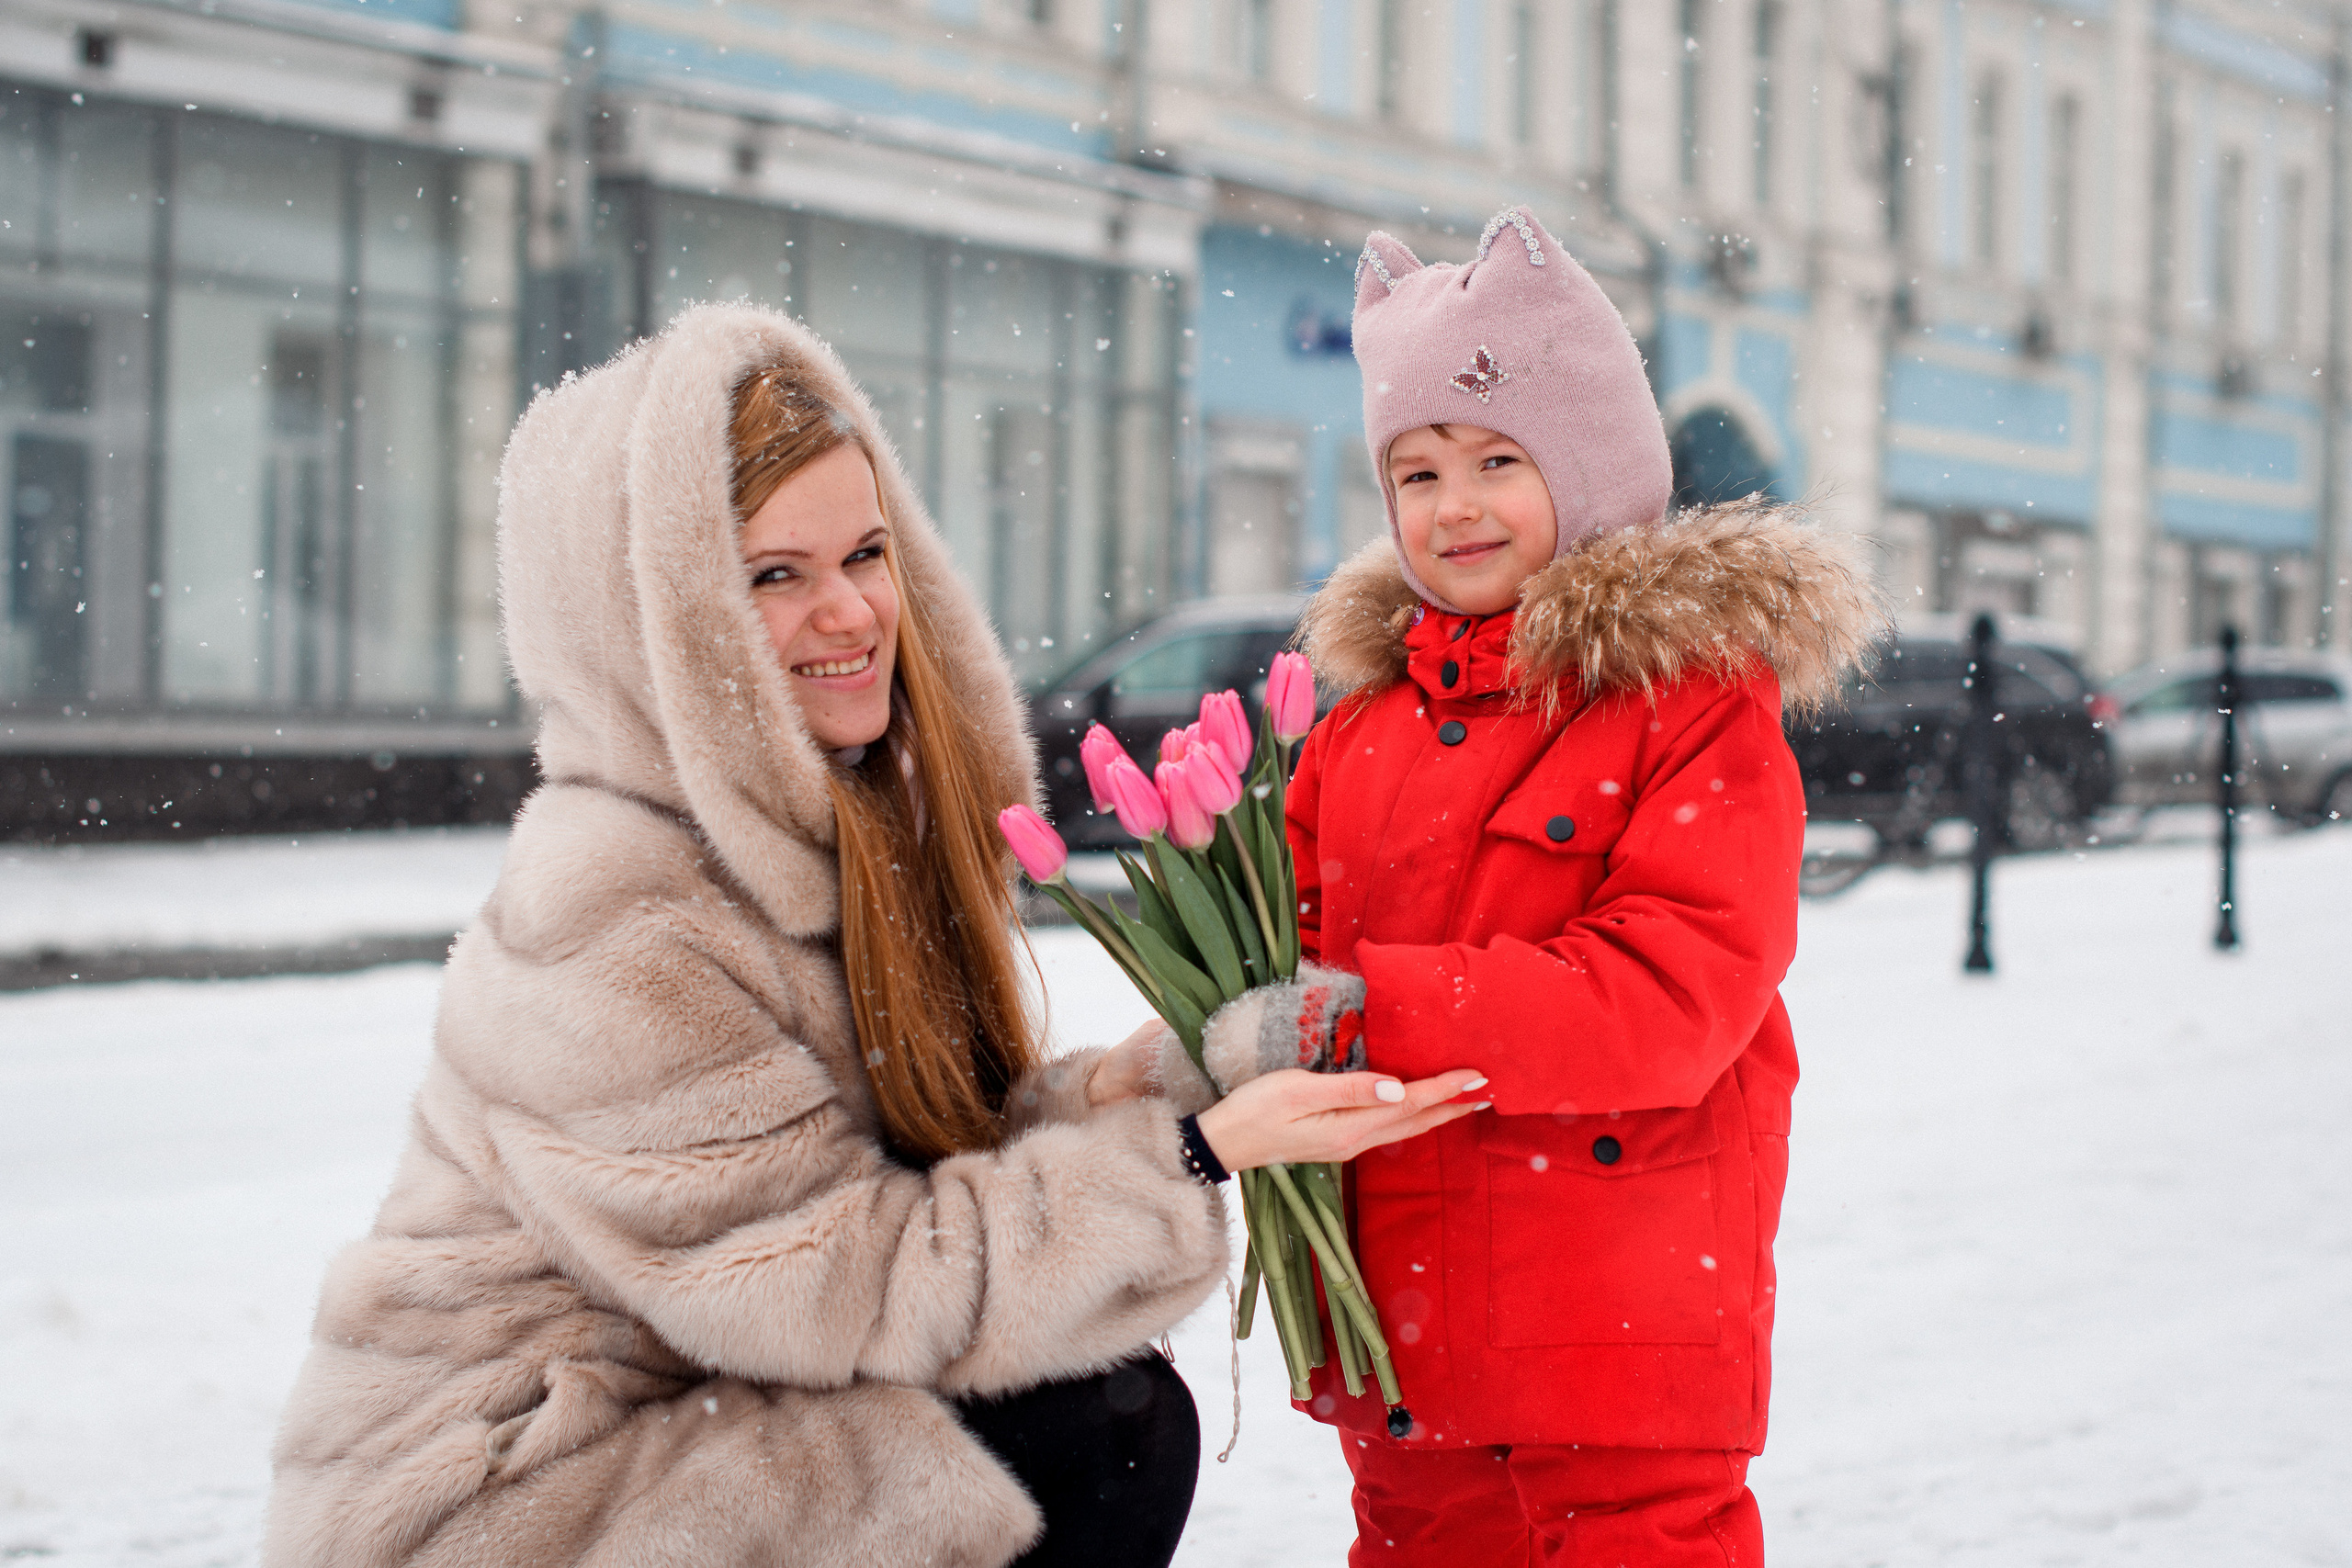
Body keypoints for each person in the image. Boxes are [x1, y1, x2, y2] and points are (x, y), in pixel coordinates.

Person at [259, 301, 1482, 1568]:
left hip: (685, 1413)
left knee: (1100, 1420)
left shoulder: (834, 833)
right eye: (774, 575)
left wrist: (1141, 1088)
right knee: (1087, 1434)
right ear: (659, 620)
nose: (849, 612)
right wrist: (1191, 1153)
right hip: (507, 1494)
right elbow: (835, 1277)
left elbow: (878, 1165)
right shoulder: (614, 902)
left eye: (866, 553)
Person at [1192, 209, 1885, 1564]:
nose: (1453, 506)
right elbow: (1293, 960)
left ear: (1595, 465)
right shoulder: (1357, 729)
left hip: (1614, 1327)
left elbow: (1668, 997)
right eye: (1417, 471)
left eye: (1497, 461)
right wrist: (1235, 1035)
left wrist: (1367, 1012)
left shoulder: (1688, 703)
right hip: (1401, 1322)